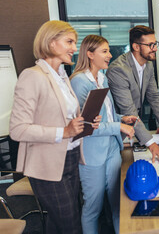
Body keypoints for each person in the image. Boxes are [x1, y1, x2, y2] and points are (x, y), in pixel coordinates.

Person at [9, 20, 100, 233]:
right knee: (70, 226)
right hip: (47, 166)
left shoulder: (61, 77)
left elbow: (65, 118)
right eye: (69, 42)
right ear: (51, 43)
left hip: (70, 157)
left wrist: (86, 123)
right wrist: (65, 131)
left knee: (58, 223)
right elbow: (18, 129)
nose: (74, 48)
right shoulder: (32, 76)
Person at [70, 35, 136, 234]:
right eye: (104, 51)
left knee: (118, 205)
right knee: (93, 208)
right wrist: (119, 127)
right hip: (92, 154)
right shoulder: (79, 82)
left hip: (112, 150)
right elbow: (89, 125)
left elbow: (107, 114)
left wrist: (122, 119)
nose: (110, 55)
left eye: (109, 50)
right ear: (90, 54)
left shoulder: (102, 77)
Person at [106, 25, 159, 163]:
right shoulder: (118, 70)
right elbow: (129, 111)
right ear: (136, 47)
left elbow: (154, 97)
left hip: (133, 128)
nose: (155, 48)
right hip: (117, 132)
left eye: (155, 44)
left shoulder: (148, 65)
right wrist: (152, 145)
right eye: (151, 45)